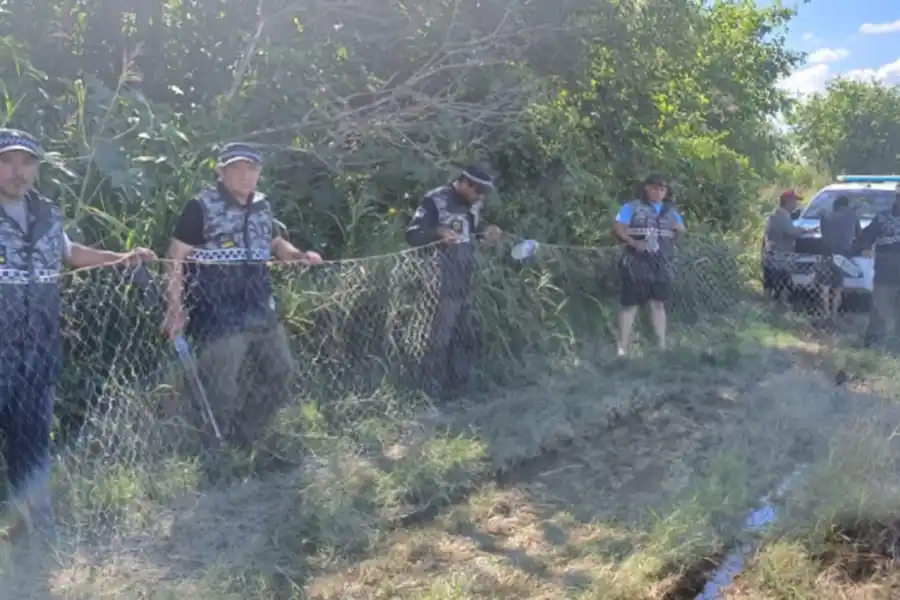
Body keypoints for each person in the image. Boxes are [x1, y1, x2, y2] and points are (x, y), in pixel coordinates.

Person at [0, 128, 155, 541]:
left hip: (38, 350)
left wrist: (121, 258)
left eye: (27, 162)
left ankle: (36, 534)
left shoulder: (47, 213)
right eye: (8, 161)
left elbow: (71, 255)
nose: (18, 171)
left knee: (32, 446)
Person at [162, 143, 322, 447]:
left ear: (260, 173)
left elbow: (275, 242)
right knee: (222, 386)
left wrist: (297, 254)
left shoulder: (262, 205)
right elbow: (174, 257)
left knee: (281, 371)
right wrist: (175, 307)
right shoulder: (201, 206)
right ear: (221, 172)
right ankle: (213, 449)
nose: (244, 175)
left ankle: (249, 434)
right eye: (236, 168)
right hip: (217, 309)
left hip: (260, 304)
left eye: (251, 169)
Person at [406, 165, 502, 400]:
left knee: (464, 336)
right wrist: (437, 233)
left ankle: (460, 390)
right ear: (466, 183)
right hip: (439, 281)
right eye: (478, 191)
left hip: (465, 279)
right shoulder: (435, 199)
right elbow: (412, 234)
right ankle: (429, 394)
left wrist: (487, 233)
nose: (481, 197)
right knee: (438, 340)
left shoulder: (475, 204)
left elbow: (473, 230)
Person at [613, 173, 686, 357]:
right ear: (646, 188)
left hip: (661, 262)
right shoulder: (631, 207)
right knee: (630, 305)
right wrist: (633, 242)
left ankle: (661, 346)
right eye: (654, 187)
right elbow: (618, 228)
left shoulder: (671, 210)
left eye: (662, 189)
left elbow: (681, 230)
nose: (658, 192)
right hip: (635, 261)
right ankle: (622, 348)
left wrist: (679, 230)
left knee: (659, 304)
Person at [852, 184, 900, 348]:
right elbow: (863, 239)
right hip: (886, 273)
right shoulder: (882, 218)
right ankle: (873, 343)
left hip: (887, 270)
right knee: (880, 309)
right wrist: (864, 247)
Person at [763, 190, 816, 304]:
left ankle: (769, 305)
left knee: (770, 282)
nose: (796, 205)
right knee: (783, 281)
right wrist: (804, 230)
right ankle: (782, 306)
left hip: (771, 255)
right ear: (787, 202)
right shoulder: (782, 216)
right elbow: (790, 232)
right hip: (781, 256)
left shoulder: (774, 216)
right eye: (794, 201)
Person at [816, 195, 861, 321]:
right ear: (846, 205)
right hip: (843, 255)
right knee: (838, 286)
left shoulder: (825, 216)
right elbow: (859, 235)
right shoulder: (853, 216)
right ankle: (834, 314)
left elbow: (823, 233)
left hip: (827, 253)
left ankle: (826, 312)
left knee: (825, 285)